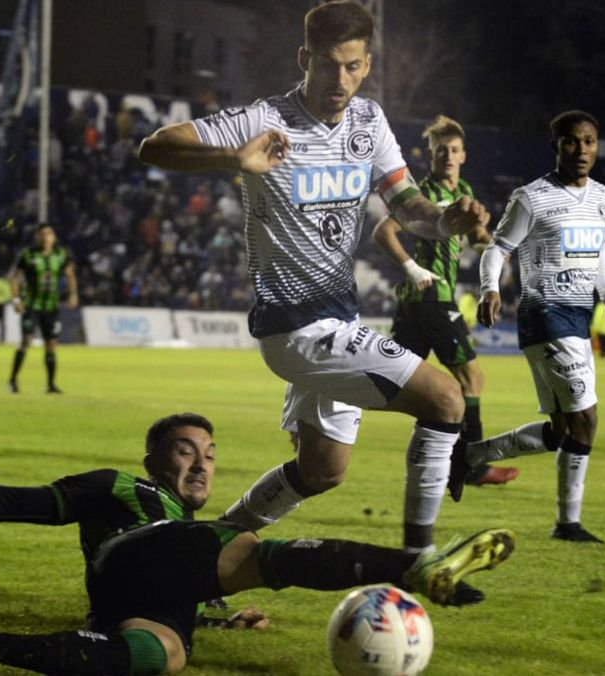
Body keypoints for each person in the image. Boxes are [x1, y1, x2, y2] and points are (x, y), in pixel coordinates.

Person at [136, 1, 489, 567]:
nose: (339, 80)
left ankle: (200, 554)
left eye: (352, 67)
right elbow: (154, 145)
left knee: (322, 471)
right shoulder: (263, 121)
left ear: (367, 64)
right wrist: (234, 158)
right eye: (328, 66)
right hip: (293, 326)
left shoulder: (369, 123)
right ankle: (419, 564)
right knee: (447, 398)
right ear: (304, 59)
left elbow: (408, 205)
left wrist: (448, 220)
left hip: (339, 318)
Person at [0, 413, 515, 674]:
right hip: (132, 554)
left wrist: (220, 610)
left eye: (209, 455)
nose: (201, 464)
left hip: (134, 599)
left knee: (162, 656)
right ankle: (420, 565)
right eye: (184, 451)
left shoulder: (191, 532)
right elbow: (14, 503)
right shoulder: (120, 488)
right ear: (150, 459)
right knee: (256, 550)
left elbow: (182, 566)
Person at [465, 110, 605, 544]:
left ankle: (474, 456)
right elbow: (497, 249)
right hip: (544, 314)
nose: (581, 150)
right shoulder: (532, 198)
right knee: (587, 420)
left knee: (561, 433)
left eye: (589, 141)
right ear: (556, 146)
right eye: (572, 141)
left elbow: (600, 256)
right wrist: (489, 289)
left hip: (577, 317)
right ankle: (567, 524)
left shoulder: (603, 199)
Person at [371, 114, 517, 496]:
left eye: (453, 151)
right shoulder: (425, 196)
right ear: (431, 158)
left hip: (415, 308)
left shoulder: (464, 189)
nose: (448, 157)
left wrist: (492, 247)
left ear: (464, 155)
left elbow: (480, 238)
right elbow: (382, 230)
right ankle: (471, 464)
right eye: (440, 152)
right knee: (472, 379)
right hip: (431, 299)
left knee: (388, 386)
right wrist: (412, 266)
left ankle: (322, 410)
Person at [8, 224, 78, 394]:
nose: (46, 237)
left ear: (54, 237)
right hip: (31, 305)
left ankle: (51, 385)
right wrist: (16, 299)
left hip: (51, 307)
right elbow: (14, 277)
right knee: (26, 341)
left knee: (51, 344)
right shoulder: (28, 254)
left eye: (49, 234)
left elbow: (70, 274)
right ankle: (13, 380)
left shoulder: (60, 254)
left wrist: (73, 294)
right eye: (43, 234)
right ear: (37, 237)